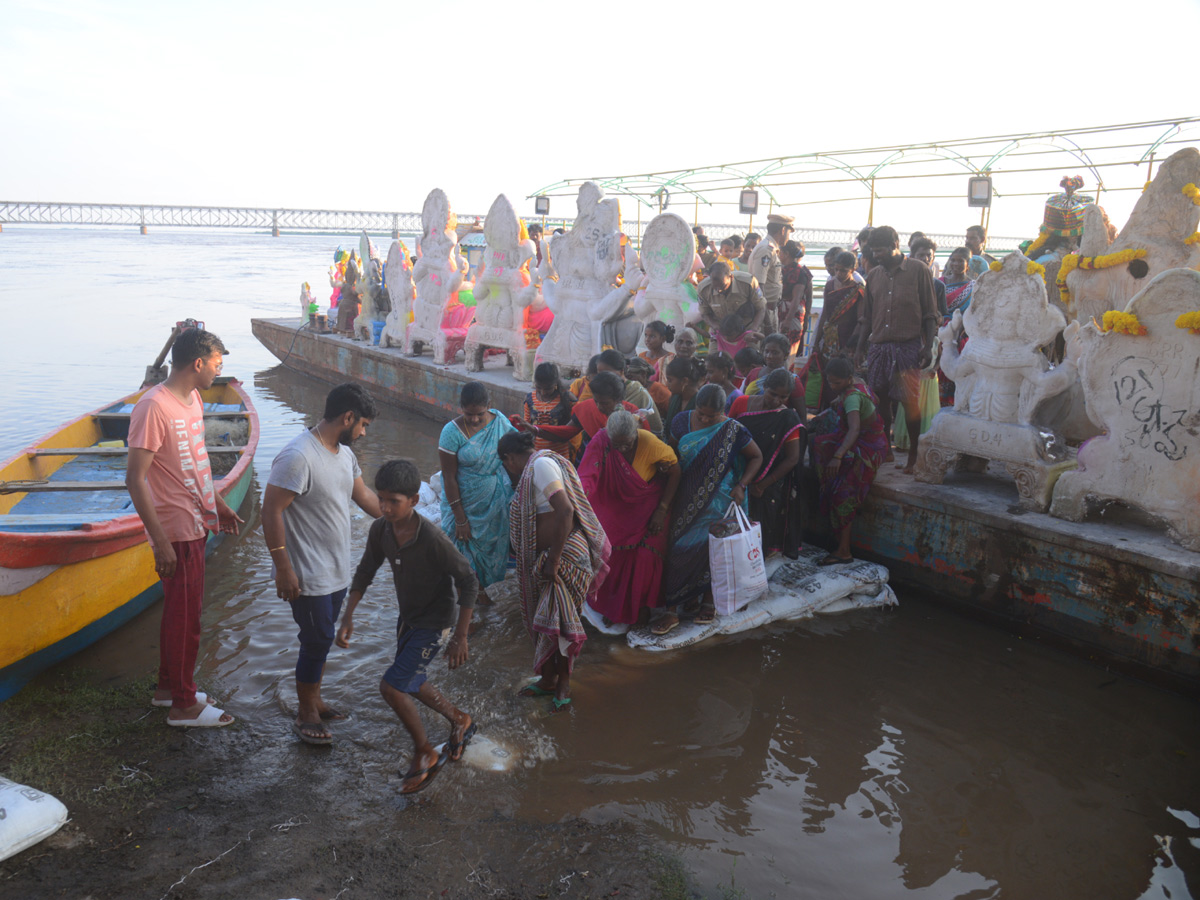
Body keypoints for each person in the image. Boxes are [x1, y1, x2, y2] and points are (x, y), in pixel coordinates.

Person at [337, 460, 476, 794]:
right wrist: (349, 614)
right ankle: (460, 719)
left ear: (414, 500)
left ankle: (424, 750)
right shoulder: (381, 530)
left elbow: (468, 580)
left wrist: (460, 636)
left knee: (391, 686)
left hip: (436, 622)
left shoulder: (431, 537)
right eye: (381, 499)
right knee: (410, 681)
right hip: (409, 618)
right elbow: (366, 570)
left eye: (393, 501)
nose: (384, 508)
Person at [126, 328, 241, 727]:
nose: (218, 371)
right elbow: (135, 478)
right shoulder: (153, 407)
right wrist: (159, 542)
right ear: (198, 363)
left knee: (184, 614)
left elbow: (194, 464)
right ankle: (183, 705)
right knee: (185, 620)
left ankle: (169, 689)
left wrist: (219, 505)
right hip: (175, 528)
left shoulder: (192, 399)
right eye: (216, 364)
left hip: (197, 521)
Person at [263, 382, 382, 745]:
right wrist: (283, 568)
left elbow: (363, 497)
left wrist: (401, 518)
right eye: (362, 425)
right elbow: (270, 511)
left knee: (323, 640)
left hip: (335, 570)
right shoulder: (298, 456)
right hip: (306, 574)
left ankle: (313, 698)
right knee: (316, 641)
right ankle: (306, 713)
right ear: (348, 417)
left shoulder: (343, 454)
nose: (362, 433)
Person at [499, 432, 610, 709]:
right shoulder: (537, 467)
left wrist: (554, 560)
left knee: (560, 625)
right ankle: (547, 679)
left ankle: (563, 683)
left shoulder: (540, 466)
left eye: (505, 465)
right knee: (545, 621)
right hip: (549, 557)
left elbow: (565, 511)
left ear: (509, 459)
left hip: (564, 557)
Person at [654, 384, 762, 635]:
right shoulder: (682, 422)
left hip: (720, 501)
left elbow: (756, 456)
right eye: (701, 413)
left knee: (716, 552)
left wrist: (742, 485)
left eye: (711, 416)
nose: (704, 419)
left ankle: (708, 602)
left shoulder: (733, 430)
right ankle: (672, 610)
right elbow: (670, 452)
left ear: (722, 412)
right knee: (679, 548)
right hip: (684, 497)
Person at [578, 410, 681, 626]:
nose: (622, 449)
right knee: (608, 551)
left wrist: (662, 511)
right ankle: (614, 607)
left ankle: (642, 609)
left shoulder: (649, 442)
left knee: (644, 556)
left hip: (649, 505)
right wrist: (577, 500)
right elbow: (587, 475)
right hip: (616, 504)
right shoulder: (601, 441)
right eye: (618, 444)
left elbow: (675, 470)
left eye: (628, 444)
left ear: (636, 434)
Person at [853, 226, 938, 474]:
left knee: (910, 402)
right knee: (880, 400)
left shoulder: (918, 270)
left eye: (881, 251)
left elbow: (930, 313)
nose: (877, 256)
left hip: (908, 344)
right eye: (874, 252)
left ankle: (913, 454)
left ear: (895, 245)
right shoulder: (874, 276)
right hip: (879, 346)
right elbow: (867, 317)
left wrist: (928, 346)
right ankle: (886, 450)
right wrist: (860, 348)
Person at [439, 382, 517, 597]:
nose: (474, 419)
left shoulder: (500, 422)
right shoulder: (451, 432)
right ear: (460, 407)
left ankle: (479, 596)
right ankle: (464, 608)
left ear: (489, 406)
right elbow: (448, 476)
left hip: (493, 503)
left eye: (479, 414)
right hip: (462, 503)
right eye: (468, 414)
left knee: (489, 553)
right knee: (461, 558)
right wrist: (460, 519)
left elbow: (517, 451)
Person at [810, 357, 888, 566]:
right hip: (870, 438)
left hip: (868, 446)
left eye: (837, 383)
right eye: (830, 382)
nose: (832, 386)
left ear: (848, 379)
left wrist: (838, 457)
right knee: (819, 442)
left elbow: (854, 429)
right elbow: (876, 400)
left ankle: (844, 550)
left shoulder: (852, 398)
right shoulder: (860, 384)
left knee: (842, 494)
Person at [729, 368, 805, 558]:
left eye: (783, 397)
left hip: (767, 482)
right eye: (773, 394)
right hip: (735, 473)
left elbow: (792, 458)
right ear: (764, 386)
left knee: (759, 534)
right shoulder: (742, 403)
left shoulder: (787, 418)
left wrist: (763, 484)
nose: (776, 400)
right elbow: (727, 434)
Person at [521, 371, 644, 454]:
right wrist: (534, 429)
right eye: (596, 401)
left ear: (618, 399)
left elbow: (644, 447)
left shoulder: (634, 414)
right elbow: (565, 433)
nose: (599, 407)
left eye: (605, 403)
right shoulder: (588, 408)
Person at [812, 250, 865, 411]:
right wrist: (815, 342)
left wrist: (850, 344)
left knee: (844, 373)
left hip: (847, 336)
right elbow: (824, 315)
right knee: (828, 372)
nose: (839, 273)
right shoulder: (829, 285)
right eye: (836, 269)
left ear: (853, 269)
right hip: (829, 337)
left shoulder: (858, 289)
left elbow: (860, 319)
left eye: (843, 270)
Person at [698, 261, 766, 352]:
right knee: (714, 361)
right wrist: (714, 325)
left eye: (722, 286)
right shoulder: (704, 288)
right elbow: (704, 313)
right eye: (715, 287)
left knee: (751, 358)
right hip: (721, 332)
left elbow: (761, 308)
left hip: (746, 330)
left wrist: (753, 330)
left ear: (731, 277)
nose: (719, 290)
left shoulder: (748, 283)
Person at [937, 248, 976, 407]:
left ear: (968, 264)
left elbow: (974, 312)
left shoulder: (973, 286)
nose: (956, 264)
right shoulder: (940, 282)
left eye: (961, 261)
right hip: (940, 332)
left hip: (961, 334)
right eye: (953, 260)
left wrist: (960, 327)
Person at [597, 348, 663, 435]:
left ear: (621, 371)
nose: (602, 377)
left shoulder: (637, 393)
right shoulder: (606, 391)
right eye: (599, 372)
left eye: (608, 372)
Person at [742, 333, 807, 417]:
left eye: (775, 353)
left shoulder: (792, 381)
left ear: (786, 355)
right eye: (766, 351)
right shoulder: (754, 373)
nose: (769, 356)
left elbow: (801, 415)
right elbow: (744, 401)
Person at [522, 362, 577, 461]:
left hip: (560, 455)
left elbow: (576, 425)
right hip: (537, 455)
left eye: (547, 389)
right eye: (538, 387)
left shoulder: (567, 398)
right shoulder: (529, 399)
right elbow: (526, 425)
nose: (543, 392)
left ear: (555, 384)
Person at [751, 214, 793, 332]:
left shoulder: (771, 249)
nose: (788, 238)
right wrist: (767, 322)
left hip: (769, 311)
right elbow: (758, 286)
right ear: (783, 230)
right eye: (789, 233)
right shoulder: (766, 250)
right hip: (764, 314)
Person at [778, 239, 813, 353]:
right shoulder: (782, 269)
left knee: (788, 349)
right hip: (782, 312)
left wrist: (788, 320)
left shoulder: (799, 272)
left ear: (786, 254)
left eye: (780, 252)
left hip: (791, 314)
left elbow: (796, 298)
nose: (778, 255)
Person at [664, 355, 706, 431]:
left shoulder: (702, 404)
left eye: (670, 380)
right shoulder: (674, 398)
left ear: (684, 381)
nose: (667, 384)